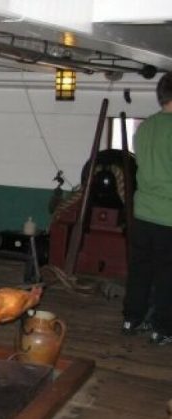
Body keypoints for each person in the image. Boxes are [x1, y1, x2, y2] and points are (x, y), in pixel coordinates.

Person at [122, 72, 172, 345]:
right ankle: (163, 328)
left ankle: (132, 318)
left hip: (143, 213)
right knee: (167, 275)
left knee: (140, 270)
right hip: (169, 216)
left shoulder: (145, 127)